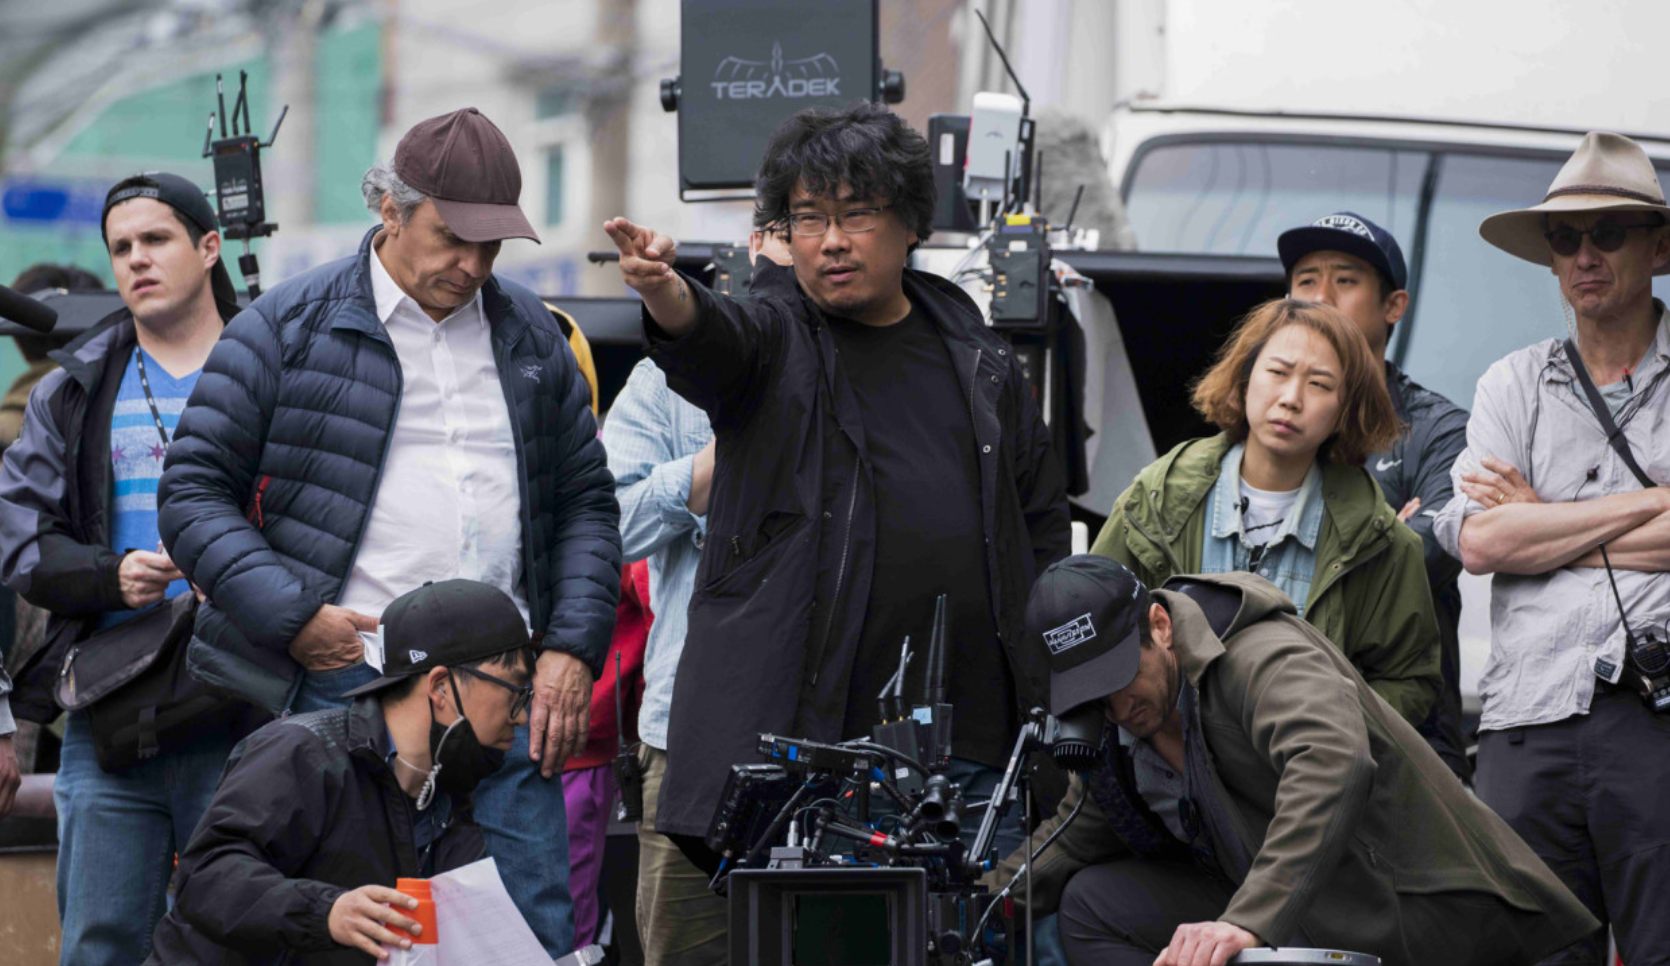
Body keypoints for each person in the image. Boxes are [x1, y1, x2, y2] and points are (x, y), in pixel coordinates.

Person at [156, 107, 622, 957]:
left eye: (491, 245)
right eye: (452, 238)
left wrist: (571, 647)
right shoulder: (285, 325)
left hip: (504, 692)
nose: (472, 264)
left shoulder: (531, 335)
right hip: (347, 686)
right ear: (390, 210)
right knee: (354, 941)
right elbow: (191, 492)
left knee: (528, 941)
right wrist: (295, 616)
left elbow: (588, 501)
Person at [603, 100, 1072, 852]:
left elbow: (1040, 526)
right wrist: (664, 289)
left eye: (856, 214)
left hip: (977, 752)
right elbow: (713, 337)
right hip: (816, 756)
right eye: (809, 219)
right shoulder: (772, 337)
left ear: (911, 223)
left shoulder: (978, 356)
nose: (831, 241)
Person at [994, 556, 1596, 966]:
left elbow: (1332, 760)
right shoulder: (1117, 727)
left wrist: (1248, 920)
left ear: (1161, 626)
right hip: (1296, 911)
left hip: (1413, 914)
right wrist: (978, 902)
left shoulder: (1260, 652)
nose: (1116, 705)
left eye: (1120, 675)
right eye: (1092, 692)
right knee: (1093, 903)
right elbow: (1071, 838)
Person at [1433, 131, 1670, 964]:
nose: (1584, 255)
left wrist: (1547, 523)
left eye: (1607, 232)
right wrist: (1653, 503)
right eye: (1565, 238)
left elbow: (1516, 538)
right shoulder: (1510, 382)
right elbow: (1482, 540)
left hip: (1655, 716)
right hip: (1526, 718)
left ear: (1658, 248)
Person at [0, 173, 247, 964]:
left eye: (156, 239)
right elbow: (19, 541)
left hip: (252, 705)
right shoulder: (72, 388)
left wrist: (244, 571)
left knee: (240, 941)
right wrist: (112, 575)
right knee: (98, 944)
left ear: (209, 248)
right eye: (121, 247)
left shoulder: (273, 371)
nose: (137, 258)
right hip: (110, 709)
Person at [145, 579, 535, 965]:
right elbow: (205, 877)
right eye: (516, 690)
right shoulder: (302, 751)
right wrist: (326, 912)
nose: (522, 717)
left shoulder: (450, 786)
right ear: (441, 686)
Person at [1089, 298, 1441, 725]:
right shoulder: (1155, 500)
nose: (1291, 399)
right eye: (1277, 372)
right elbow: (1094, 629)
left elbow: (1409, 679)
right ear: (1244, 378)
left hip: (1305, 764)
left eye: (1320, 384)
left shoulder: (1377, 538)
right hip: (1165, 758)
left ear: (1344, 410)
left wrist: (1332, 730)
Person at [600, 222, 792, 966]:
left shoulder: (870, 370)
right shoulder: (666, 381)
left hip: (839, 734)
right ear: (758, 241)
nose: (817, 246)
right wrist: (721, 458)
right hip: (690, 730)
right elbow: (611, 524)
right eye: (795, 225)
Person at [1279, 213, 1472, 780]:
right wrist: (1390, 529)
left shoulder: (1438, 428)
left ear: (1394, 305)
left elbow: (1430, 553)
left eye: (1345, 280)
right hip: (1273, 730)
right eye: (1306, 280)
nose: (1320, 298)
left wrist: (1303, 552)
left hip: (1410, 738)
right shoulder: (1265, 420)